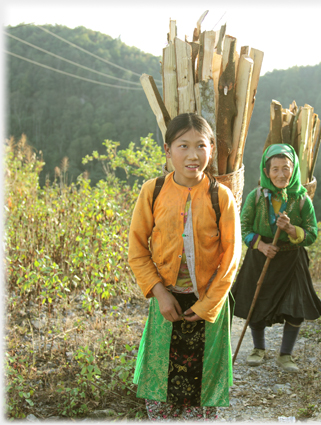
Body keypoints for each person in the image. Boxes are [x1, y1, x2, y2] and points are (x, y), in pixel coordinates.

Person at [128, 113, 241, 421]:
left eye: (200, 146)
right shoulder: (152, 191)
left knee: (204, 388)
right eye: (183, 146)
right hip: (167, 298)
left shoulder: (221, 197)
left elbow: (231, 260)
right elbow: (137, 250)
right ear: (167, 150)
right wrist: (160, 293)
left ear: (212, 148)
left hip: (209, 303)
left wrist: (206, 305)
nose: (193, 155)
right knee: (160, 387)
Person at [231, 143, 321, 373]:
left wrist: (293, 230)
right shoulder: (256, 197)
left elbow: (311, 234)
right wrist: (261, 245)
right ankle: (258, 349)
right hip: (260, 257)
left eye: (286, 168)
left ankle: (285, 354)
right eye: (275, 169)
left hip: (292, 259)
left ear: (294, 170)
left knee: (295, 307)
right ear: (266, 172)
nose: (281, 174)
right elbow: (241, 229)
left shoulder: (302, 200)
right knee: (256, 302)